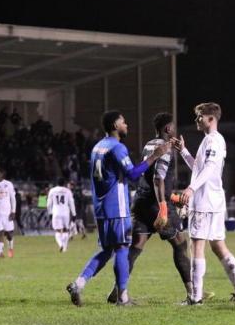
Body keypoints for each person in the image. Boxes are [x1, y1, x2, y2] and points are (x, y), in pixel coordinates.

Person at [66, 110, 171, 306]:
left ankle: (78, 284)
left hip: (101, 207)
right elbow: (132, 174)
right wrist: (155, 156)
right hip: (117, 207)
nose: (127, 125)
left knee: (107, 250)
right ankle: (122, 297)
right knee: (122, 248)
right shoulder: (117, 148)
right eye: (123, 122)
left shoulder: (98, 147)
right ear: (115, 126)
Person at [106, 112, 193, 304]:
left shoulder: (148, 145)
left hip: (141, 202)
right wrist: (163, 205)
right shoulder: (165, 148)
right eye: (174, 127)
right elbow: (158, 178)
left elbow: (148, 176)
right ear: (168, 129)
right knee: (180, 244)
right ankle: (192, 293)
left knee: (135, 248)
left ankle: (117, 292)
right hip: (156, 204)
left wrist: (172, 196)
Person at [173, 102, 235, 304]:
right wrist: (183, 151)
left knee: (196, 246)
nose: (196, 120)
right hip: (214, 201)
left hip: (204, 202)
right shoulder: (210, 140)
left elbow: (208, 169)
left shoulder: (213, 141)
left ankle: (195, 298)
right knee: (218, 246)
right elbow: (199, 168)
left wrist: (191, 189)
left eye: (199, 116)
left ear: (210, 118)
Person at [47, 177, 76, 252]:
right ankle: (65, 249)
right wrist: (74, 214)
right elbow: (71, 203)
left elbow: (49, 204)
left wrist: (50, 213)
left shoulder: (52, 190)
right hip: (65, 212)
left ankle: (61, 245)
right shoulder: (68, 191)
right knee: (66, 230)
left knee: (57, 230)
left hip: (56, 212)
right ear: (64, 183)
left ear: (57, 183)